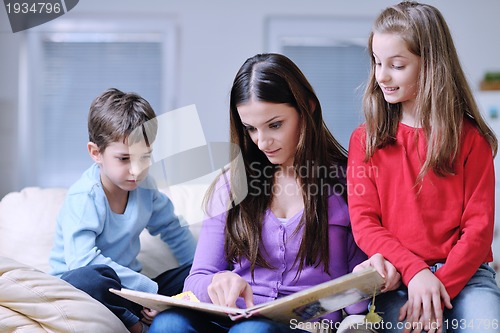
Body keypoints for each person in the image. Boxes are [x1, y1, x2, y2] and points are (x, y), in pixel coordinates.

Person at [149, 53, 400, 333]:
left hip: (301, 326)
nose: (262, 141)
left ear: (308, 108)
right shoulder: (232, 184)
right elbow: (196, 279)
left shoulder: (348, 182)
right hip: (233, 320)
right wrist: (216, 283)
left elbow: (355, 300)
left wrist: (366, 280)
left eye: (275, 125)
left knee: (253, 331)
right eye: (251, 129)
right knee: (168, 323)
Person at [347, 2, 500, 333]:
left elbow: (479, 229)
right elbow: (364, 224)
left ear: (431, 65)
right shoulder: (365, 141)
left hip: (468, 275)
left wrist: (436, 286)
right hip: (400, 276)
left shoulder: (471, 139)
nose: (381, 76)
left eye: (397, 65)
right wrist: (416, 273)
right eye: (376, 62)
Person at [49, 88, 197, 333]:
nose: (137, 170)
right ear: (96, 153)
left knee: (202, 270)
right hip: (83, 288)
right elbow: (81, 261)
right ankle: (136, 324)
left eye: (145, 157)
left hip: (129, 291)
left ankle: (156, 311)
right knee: (91, 277)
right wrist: (150, 292)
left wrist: (197, 276)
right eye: (124, 159)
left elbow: (173, 229)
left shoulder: (145, 189)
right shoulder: (85, 197)